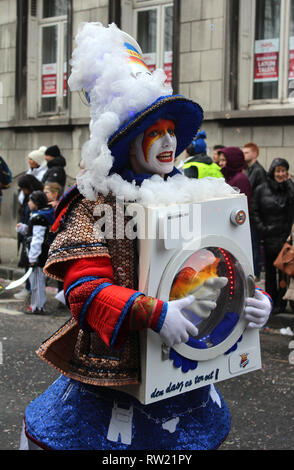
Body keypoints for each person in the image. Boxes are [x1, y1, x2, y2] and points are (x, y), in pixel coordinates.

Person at [20, 23, 271, 451]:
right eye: (155, 132)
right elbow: (83, 290)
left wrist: (250, 300)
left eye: (171, 130)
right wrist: (152, 312)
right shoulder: (95, 202)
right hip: (115, 379)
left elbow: (217, 263)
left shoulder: (194, 192)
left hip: (187, 365)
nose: (169, 141)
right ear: (128, 143)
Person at [251, 158, 294, 314]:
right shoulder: (262, 189)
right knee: (269, 273)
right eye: (278, 171)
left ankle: (281, 303)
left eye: (284, 171)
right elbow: (254, 210)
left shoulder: (289, 188)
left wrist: (289, 183)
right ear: (272, 171)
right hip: (269, 237)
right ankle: (270, 300)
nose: (281, 174)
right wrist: (263, 228)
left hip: (284, 239)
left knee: (284, 272)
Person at [16, 190, 54, 314]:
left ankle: (38, 307)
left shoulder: (39, 218)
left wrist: (33, 258)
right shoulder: (38, 215)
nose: (28, 203)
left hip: (38, 257)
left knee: (37, 282)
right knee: (35, 281)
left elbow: (37, 239)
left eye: (30, 201)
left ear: (36, 203)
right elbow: (33, 231)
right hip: (37, 255)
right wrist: (23, 228)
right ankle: (35, 305)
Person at [14, 175, 44, 301]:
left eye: (24, 188)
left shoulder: (36, 199)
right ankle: (29, 290)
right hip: (27, 236)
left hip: (32, 240)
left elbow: (35, 227)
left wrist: (26, 228)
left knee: (34, 270)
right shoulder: (28, 198)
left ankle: (33, 296)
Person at [243, 143, 267, 281]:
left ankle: (256, 273)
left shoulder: (257, 170)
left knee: (254, 244)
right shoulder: (250, 169)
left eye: (247, 152)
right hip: (252, 213)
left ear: (255, 154)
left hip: (254, 214)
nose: (244, 154)